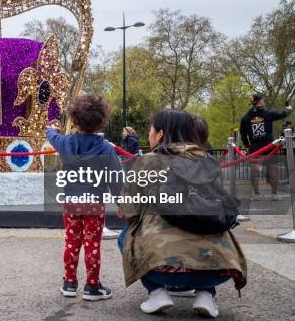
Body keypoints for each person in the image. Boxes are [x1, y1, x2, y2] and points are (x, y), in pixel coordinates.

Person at [118, 110, 247, 318]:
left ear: (160, 134)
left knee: (126, 236)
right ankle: (206, 294)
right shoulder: (207, 160)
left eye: (150, 130)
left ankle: (156, 293)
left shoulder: (149, 162)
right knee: (206, 230)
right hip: (219, 267)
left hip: (164, 266)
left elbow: (128, 210)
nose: (148, 134)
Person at [46, 94, 120, 301]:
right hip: (94, 204)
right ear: (100, 121)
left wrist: (50, 128)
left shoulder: (65, 143)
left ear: (74, 120)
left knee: (71, 242)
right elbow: (116, 180)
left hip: (71, 203)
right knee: (92, 244)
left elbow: (52, 136)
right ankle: (92, 286)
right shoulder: (106, 149)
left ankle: (69, 283)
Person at [239, 94, 292, 198]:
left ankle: (256, 193)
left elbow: (243, 134)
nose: (264, 102)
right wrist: (289, 109)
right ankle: (274, 194)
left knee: (254, 171)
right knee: (272, 169)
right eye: (263, 100)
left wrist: (246, 145)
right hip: (269, 145)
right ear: (259, 102)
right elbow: (282, 114)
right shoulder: (267, 113)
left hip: (254, 147)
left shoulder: (245, 118)